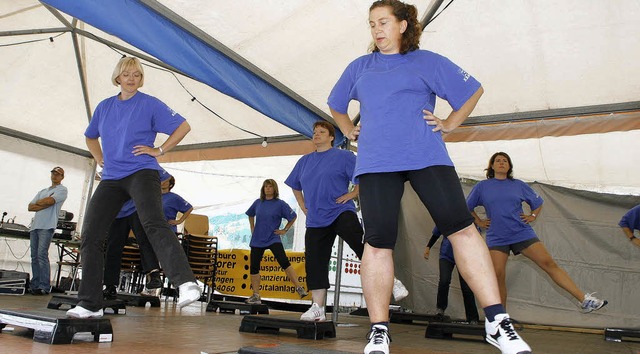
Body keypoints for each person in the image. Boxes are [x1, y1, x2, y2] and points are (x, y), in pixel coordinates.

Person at [328, 1, 530, 353]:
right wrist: (347, 128)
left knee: (462, 229)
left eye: (384, 22)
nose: (376, 29)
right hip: (376, 162)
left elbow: (473, 90)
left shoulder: (427, 61)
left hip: (425, 155)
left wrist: (450, 123)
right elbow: (336, 102)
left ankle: (497, 321)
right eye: (371, 23)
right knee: (376, 242)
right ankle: (379, 331)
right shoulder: (360, 66)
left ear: (403, 25)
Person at [66, 56, 199, 319]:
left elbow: (183, 126)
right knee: (91, 235)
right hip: (112, 177)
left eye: (137, 75)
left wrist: (159, 149)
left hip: (142, 171)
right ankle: (89, 304)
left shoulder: (149, 104)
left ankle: (185, 283)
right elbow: (90, 136)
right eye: (127, 74)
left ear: (140, 79)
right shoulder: (104, 107)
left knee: (153, 222)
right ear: (118, 77)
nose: (131, 79)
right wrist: (100, 158)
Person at [285, 121, 409, 323]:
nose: (316, 134)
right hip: (316, 218)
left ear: (331, 137)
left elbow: (364, 176)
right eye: (315, 132)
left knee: (364, 247)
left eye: (321, 132)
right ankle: (317, 308)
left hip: (340, 210)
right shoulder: (304, 161)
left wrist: (352, 194)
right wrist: (302, 206)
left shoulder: (344, 156)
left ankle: (393, 282)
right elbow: (295, 185)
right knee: (315, 263)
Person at [468, 152, 608, 314]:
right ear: (491, 166)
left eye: (505, 161)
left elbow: (537, 202)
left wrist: (533, 215)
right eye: (497, 161)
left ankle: (584, 300)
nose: (501, 163)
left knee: (549, 264)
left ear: (509, 166)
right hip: (497, 236)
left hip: (521, 232)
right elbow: (467, 206)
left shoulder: (518, 185)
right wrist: (479, 221)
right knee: (497, 275)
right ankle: (501, 321)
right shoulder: (482, 187)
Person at [102, 168, 173, 300]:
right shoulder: (115, 163)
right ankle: (110, 286)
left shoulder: (141, 159)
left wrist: (146, 189)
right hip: (117, 212)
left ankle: (154, 275)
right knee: (113, 247)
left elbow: (165, 178)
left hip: (136, 209)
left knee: (145, 240)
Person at [244, 179, 306, 305]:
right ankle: (256, 295)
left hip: (273, 237)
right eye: (265, 186)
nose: (267, 188)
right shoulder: (258, 203)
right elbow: (250, 214)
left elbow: (293, 216)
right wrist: (252, 227)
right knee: (254, 267)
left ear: (274, 189)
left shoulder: (280, 204)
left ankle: (299, 287)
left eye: (270, 186)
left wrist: (285, 230)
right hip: (257, 239)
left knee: (284, 261)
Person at [27, 166, 68, 295]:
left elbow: (51, 201)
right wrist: (43, 203)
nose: (55, 176)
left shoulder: (62, 190)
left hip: (47, 226)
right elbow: (30, 207)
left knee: (41, 255)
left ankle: (44, 286)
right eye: (53, 173)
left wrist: (39, 204)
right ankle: (35, 284)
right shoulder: (43, 191)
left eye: (58, 174)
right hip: (35, 226)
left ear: (62, 177)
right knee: (34, 256)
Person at [425, 227, 479, 323]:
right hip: (446, 255)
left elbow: (476, 236)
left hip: (464, 255)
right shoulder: (445, 217)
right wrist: (428, 247)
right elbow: (437, 233)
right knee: (444, 281)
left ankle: (472, 317)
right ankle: (440, 310)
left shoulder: (467, 217)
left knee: (466, 286)